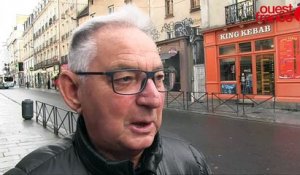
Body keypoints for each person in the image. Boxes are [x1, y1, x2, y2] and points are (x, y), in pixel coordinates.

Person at [5, 5, 211, 175]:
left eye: (158, 78)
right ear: (73, 91)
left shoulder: (189, 163)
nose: (154, 99)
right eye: (126, 79)